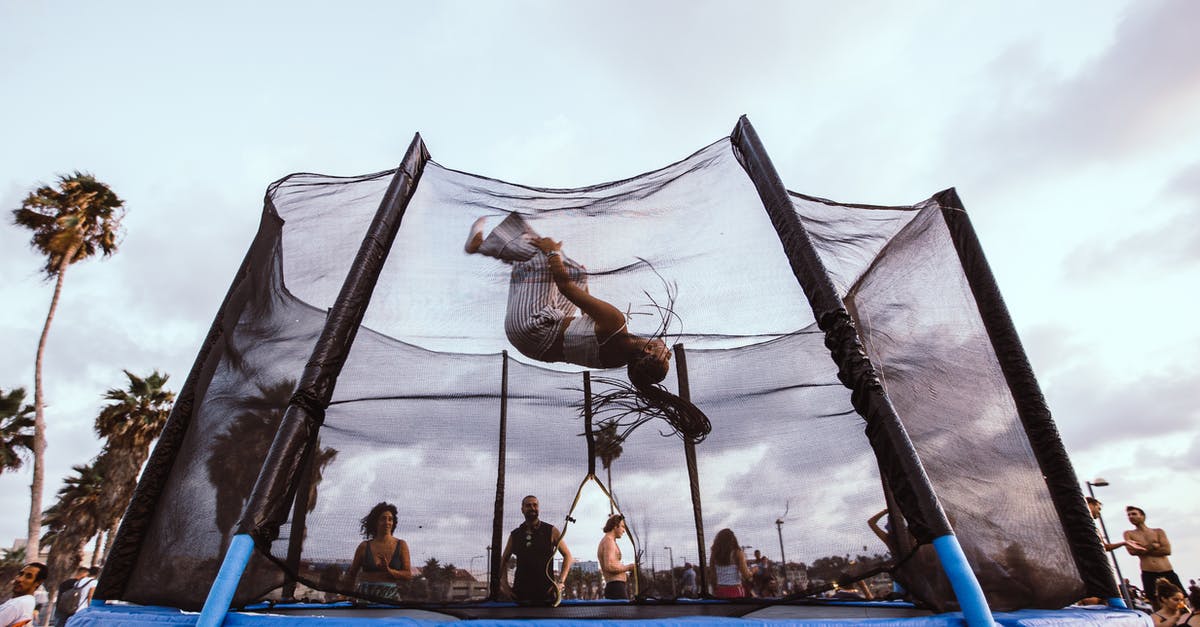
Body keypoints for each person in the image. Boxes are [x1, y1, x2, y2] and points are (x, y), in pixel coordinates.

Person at [500, 495, 574, 604]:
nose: (532, 508)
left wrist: (561, 582)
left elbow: (568, 556)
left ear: (538, 508)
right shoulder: (515, 535)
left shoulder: (551, 531)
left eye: (535, 505)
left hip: (547, 595)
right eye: (528, 505)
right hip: (521, 596)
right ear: (522, 509)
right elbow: (504, 559)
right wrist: (505, 585)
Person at [346, 502, 414, 601]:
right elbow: (352, 574)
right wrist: (348, 595)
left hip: (390, 597)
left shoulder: (401, 545)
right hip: (365, 597)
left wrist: (389, 571)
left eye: (390, 519)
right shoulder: (364, 546)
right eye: (383, 518)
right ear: (376, 522)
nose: (387, 522)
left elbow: (408, 575)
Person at [1123, 506, 1183, 610]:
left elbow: (1167, 550)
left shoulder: (1158, 532)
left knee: (1180, 597)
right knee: (1154, 601)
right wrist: (1153, 546)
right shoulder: (1129, 534)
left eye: (1134, 514)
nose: (1131, 517)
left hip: (1166, 570)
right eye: (1129, 515)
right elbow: (1132, 551)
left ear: (1142, 516)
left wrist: (1143, 549)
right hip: (1148, 572)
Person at [597, 514, 635, 600]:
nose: (624, 530)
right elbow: (609, 566)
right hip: (616, 587)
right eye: (622, 527)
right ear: (615, 526)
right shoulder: (608, 541)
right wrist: (629, 567)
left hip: (616, 586)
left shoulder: (610, 541)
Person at [708, 529, 752, 599]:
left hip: (720, 590)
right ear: (733, 540)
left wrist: (714, 590)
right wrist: (754, 570)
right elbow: (746, 575)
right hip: (735, 590)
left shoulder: (714, 554)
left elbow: (712, 576)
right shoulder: (737, 553)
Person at [0, 563, 47, 627]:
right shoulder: (27, 601)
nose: (19, 579)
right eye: (20, 574)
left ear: (37, 583)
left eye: (28, 577)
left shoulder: (18, 604)